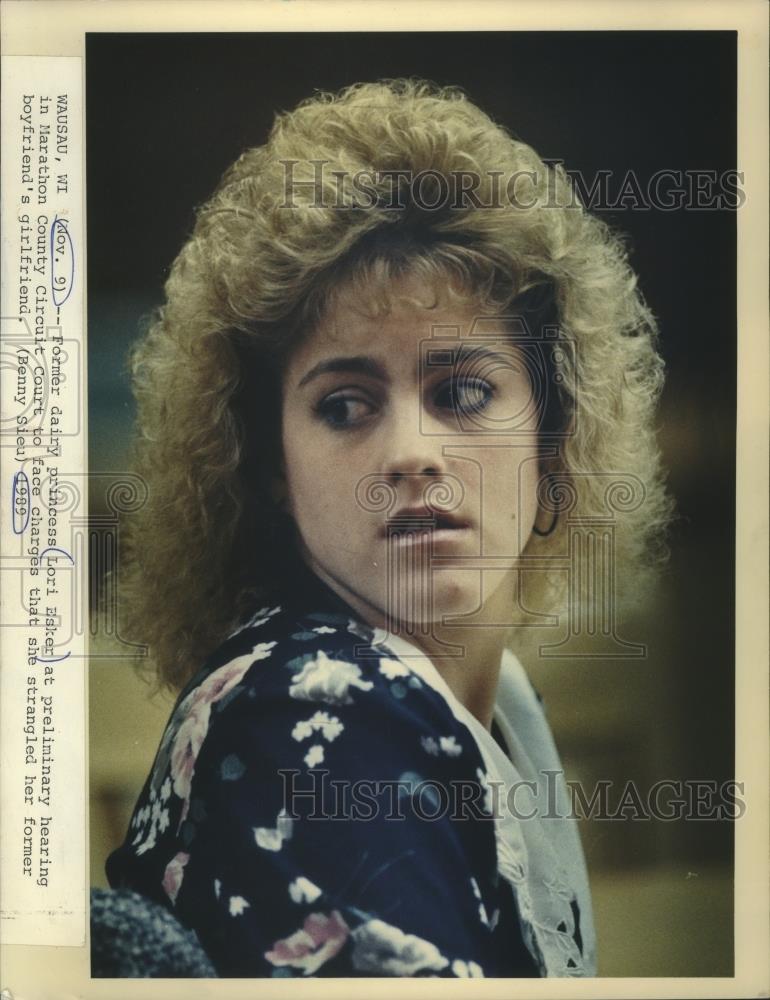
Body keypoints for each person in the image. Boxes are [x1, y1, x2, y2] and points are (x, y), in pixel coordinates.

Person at [106, 79, 672, 977]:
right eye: (345, 405)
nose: (412, 452)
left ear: (554, 438)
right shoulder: (311, 705)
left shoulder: (503, 711)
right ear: (272, 474)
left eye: (461, 392)